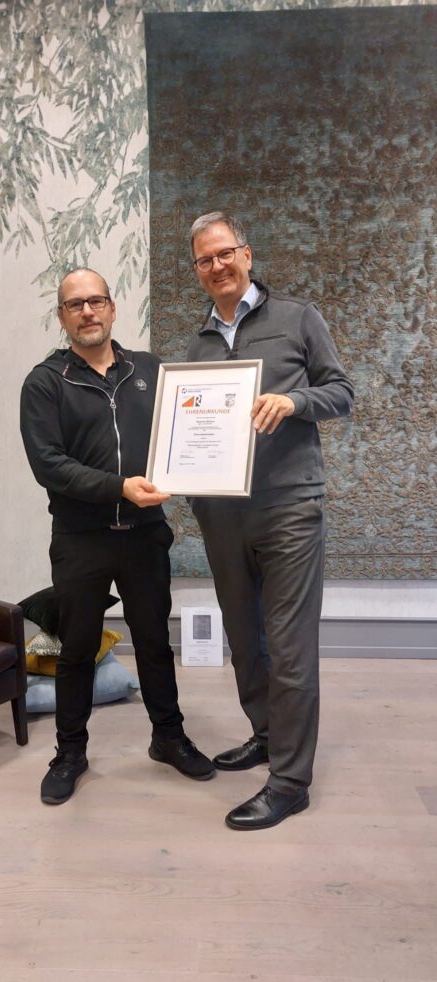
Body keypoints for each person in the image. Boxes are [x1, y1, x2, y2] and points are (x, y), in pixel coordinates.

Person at [20, 267, 214, 804]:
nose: (87, 311)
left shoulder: (149, 370)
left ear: (111, 307)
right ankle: (69, 753)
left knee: (154, 641)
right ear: (62, 317)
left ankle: (168, 738)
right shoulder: (45, 382)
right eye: (75, 304)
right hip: (81, 538)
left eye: (96, 301)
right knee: (77, 648)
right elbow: (49, 464)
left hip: (145, 535)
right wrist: (119, 488)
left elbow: (185, 434)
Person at [187, 211, 354, 830]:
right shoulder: (198, 344)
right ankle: (265, 734)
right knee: (245, 641)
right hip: (222, 515)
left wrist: (294, 400)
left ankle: (289, 782)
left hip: (289, 508)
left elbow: (341, 391)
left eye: (224, 253)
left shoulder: (298, 317)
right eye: (205, 260)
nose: (217, 266)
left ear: (247, 254)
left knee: (288, 646)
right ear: (199, 271)